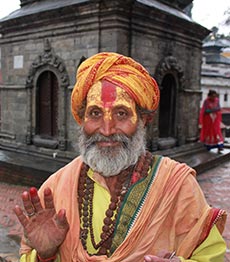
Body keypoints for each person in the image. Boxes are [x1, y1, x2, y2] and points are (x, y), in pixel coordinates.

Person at [14, 52, 227, 262]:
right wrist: (46, 255)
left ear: (144, 120)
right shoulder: (56, 187)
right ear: (82, 119)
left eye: (122, 113)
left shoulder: (178, 186)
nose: (106, 130)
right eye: (95, 113)